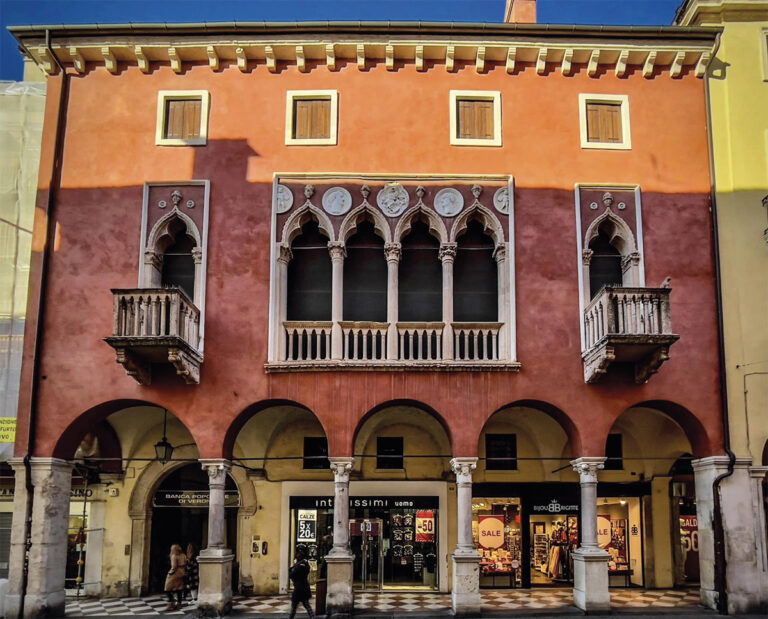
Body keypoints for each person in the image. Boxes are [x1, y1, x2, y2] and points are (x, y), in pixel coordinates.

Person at [288, 547, 315, 619]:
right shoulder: (306, 565)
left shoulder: (297, 567)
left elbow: (291, 575)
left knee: (294, 607)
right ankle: (313, 617)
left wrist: (291, 569)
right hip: (305, 587)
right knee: (307, 605)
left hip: (298, 589)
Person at [164, 544, 187, 611]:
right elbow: (186, 562)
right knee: (179, 588)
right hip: (182, 572)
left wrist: (170, 573)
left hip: (175, 573)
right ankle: (179, 604)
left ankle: (171, 601)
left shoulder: (174, 556)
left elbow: (174, 566)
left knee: (167, 588)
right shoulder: (183, 555)